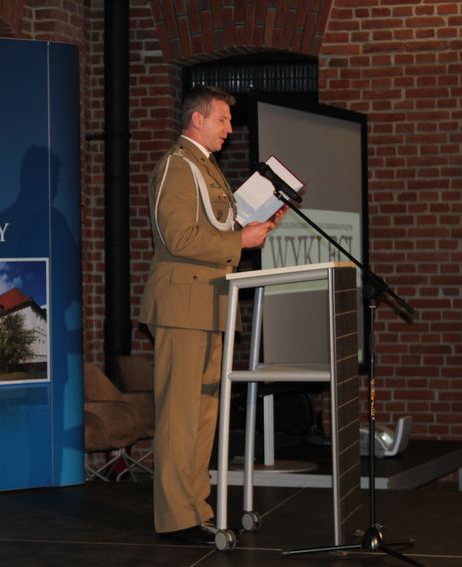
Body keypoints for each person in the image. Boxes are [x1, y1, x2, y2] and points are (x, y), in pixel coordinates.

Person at [141, 85, 286, 545]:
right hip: (184, 306)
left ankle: (195, 509)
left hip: (208, 303)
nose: (229, 129)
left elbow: (216, 227)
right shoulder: (178, 165)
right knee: (181, 417)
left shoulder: (205, 166)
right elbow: (179, 237)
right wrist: (239, 241)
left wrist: (256, 226)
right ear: (197, 119)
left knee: (203, 418)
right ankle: (176, 517)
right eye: (223, 119)